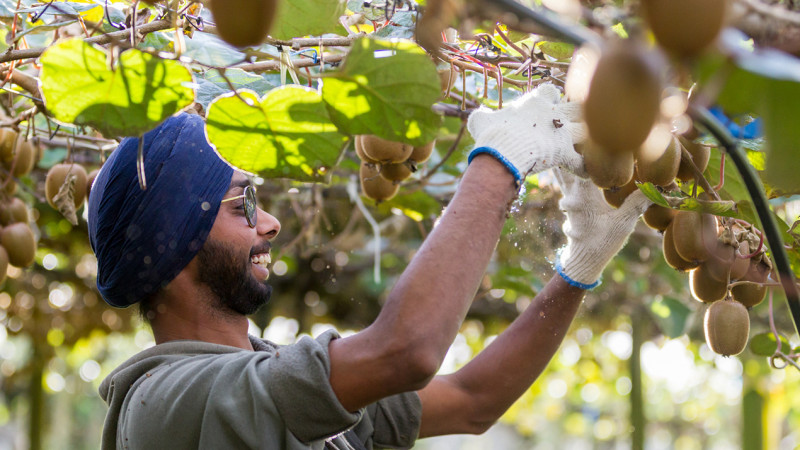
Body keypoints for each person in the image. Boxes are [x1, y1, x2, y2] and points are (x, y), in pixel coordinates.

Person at [88, 84, 650, 449]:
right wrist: (500, 160)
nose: (270, 224)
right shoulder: (164, 406)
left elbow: (474, 401)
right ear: (177, 241)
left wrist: (580, 263)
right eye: (245, 203)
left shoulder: (269, 378)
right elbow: (407, 351)